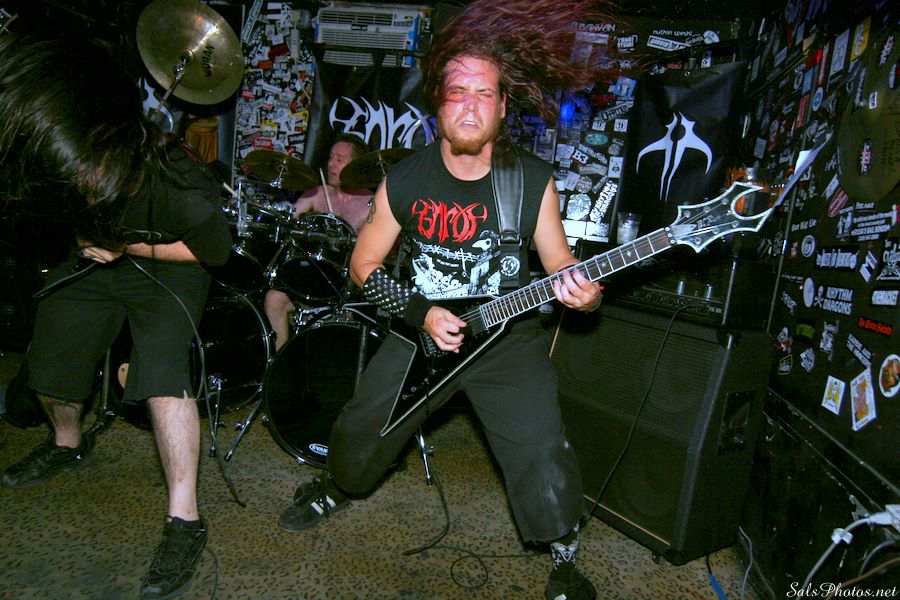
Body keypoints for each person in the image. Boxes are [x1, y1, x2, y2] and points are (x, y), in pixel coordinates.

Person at [276, 1, 608, 598]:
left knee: (541, 446)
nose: (471, 107)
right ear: (438, 104)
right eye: (458, 93)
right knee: (360, 429)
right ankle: (337, 485)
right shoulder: (405, 179)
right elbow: (362, 266)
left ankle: (562, 547)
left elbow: (559, 262)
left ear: (503, 107)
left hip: (506, 338)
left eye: (485, 94)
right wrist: (420, 313)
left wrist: (580, 293)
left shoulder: (532, 180)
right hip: (421, 331)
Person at [0, 32, 232, 600]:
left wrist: (126, 247)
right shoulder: (70, 154)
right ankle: (67, 443)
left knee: (162, 372)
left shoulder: (182, 183)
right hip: (97, 255)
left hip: (170, 262)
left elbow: (214, 254)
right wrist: (89, 235)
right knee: (52, 352)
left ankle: (185, 518)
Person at [263, 134, 373, 350]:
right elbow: (289, 220)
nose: (331, 164)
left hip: (345, 286)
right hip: (308, 274)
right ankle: (279, 360)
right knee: (274, 299)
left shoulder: (370, 203)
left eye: (339, 159)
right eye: (331, 157)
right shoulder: (317, 193)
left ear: (356, 165)